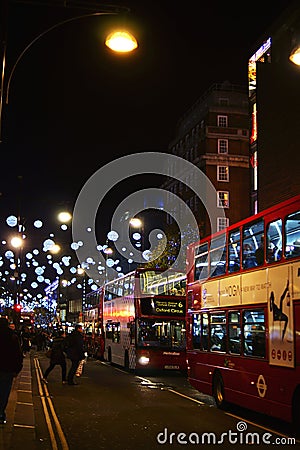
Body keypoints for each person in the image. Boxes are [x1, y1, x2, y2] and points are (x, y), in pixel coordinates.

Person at [0, 317, 23, 424]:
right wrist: (17, 369)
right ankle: (0, 414)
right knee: (4, 392)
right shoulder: (12, 337)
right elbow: (17, 355)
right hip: (7, 369)